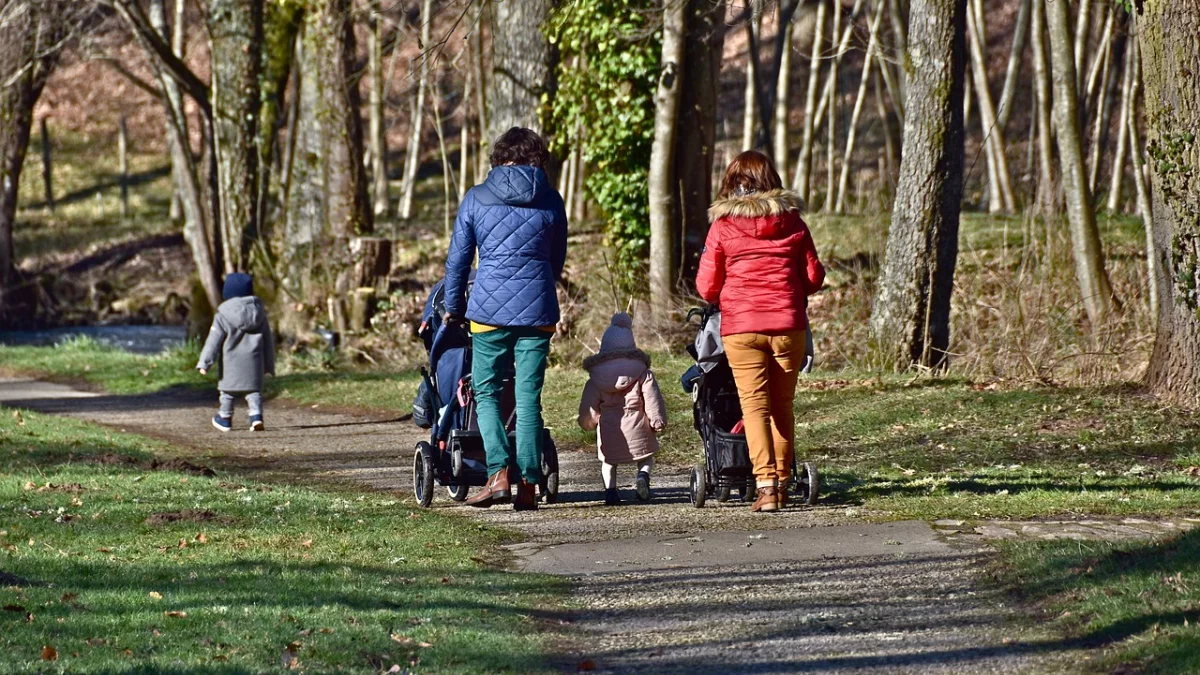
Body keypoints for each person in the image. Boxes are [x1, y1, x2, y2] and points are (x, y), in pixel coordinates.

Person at [443, 127, 568, 511]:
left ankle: (498, 474)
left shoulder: (477, 198)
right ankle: (529, 483)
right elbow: (556, 259)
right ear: (537, 158)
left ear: (498, 158)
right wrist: (540, 287)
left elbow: (459, 261)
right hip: (537, 311)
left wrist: (453, 306)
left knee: (487, 393)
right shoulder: (550, 199)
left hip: (489, 312)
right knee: (528, 398)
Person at [695, 150, 825, 512]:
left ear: (732, 182)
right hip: (787, 326)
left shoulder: (722, 226)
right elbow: (814, 277)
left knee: (754, 407)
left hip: (742, 329)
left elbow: (706, 287)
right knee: (782, 407)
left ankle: (766, 486)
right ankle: (783, 484)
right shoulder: (794, 222)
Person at [578, 312, 667, 506]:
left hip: (611, 428)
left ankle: (611, 492)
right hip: (638, 424)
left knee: (609, 462)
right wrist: (656, 420)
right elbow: (652, 398)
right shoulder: (642, 372)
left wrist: (588, 421)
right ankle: (643, 476)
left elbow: (589, 406)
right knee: (646, 458)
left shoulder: (596, 378)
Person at [197, 273, 276, 432]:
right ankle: (256, 417)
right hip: (254, 364)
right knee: (254, 392)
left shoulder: (222, 316)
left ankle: (225, 418)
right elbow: (268, 342)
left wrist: (205, 363)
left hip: (230, 365)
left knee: (227, 393)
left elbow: (213, 341)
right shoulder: (260, 314)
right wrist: (269, 365)